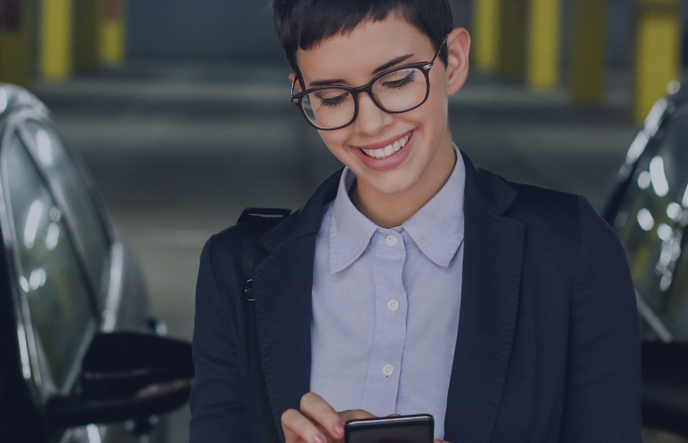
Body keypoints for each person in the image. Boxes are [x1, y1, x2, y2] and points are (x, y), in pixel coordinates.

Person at [189, 0, 640, 441]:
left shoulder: (569, 250)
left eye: (398, 80)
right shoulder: (237, 270)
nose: (369, 123)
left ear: (455, 61)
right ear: (302, 92)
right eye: (330, 96)